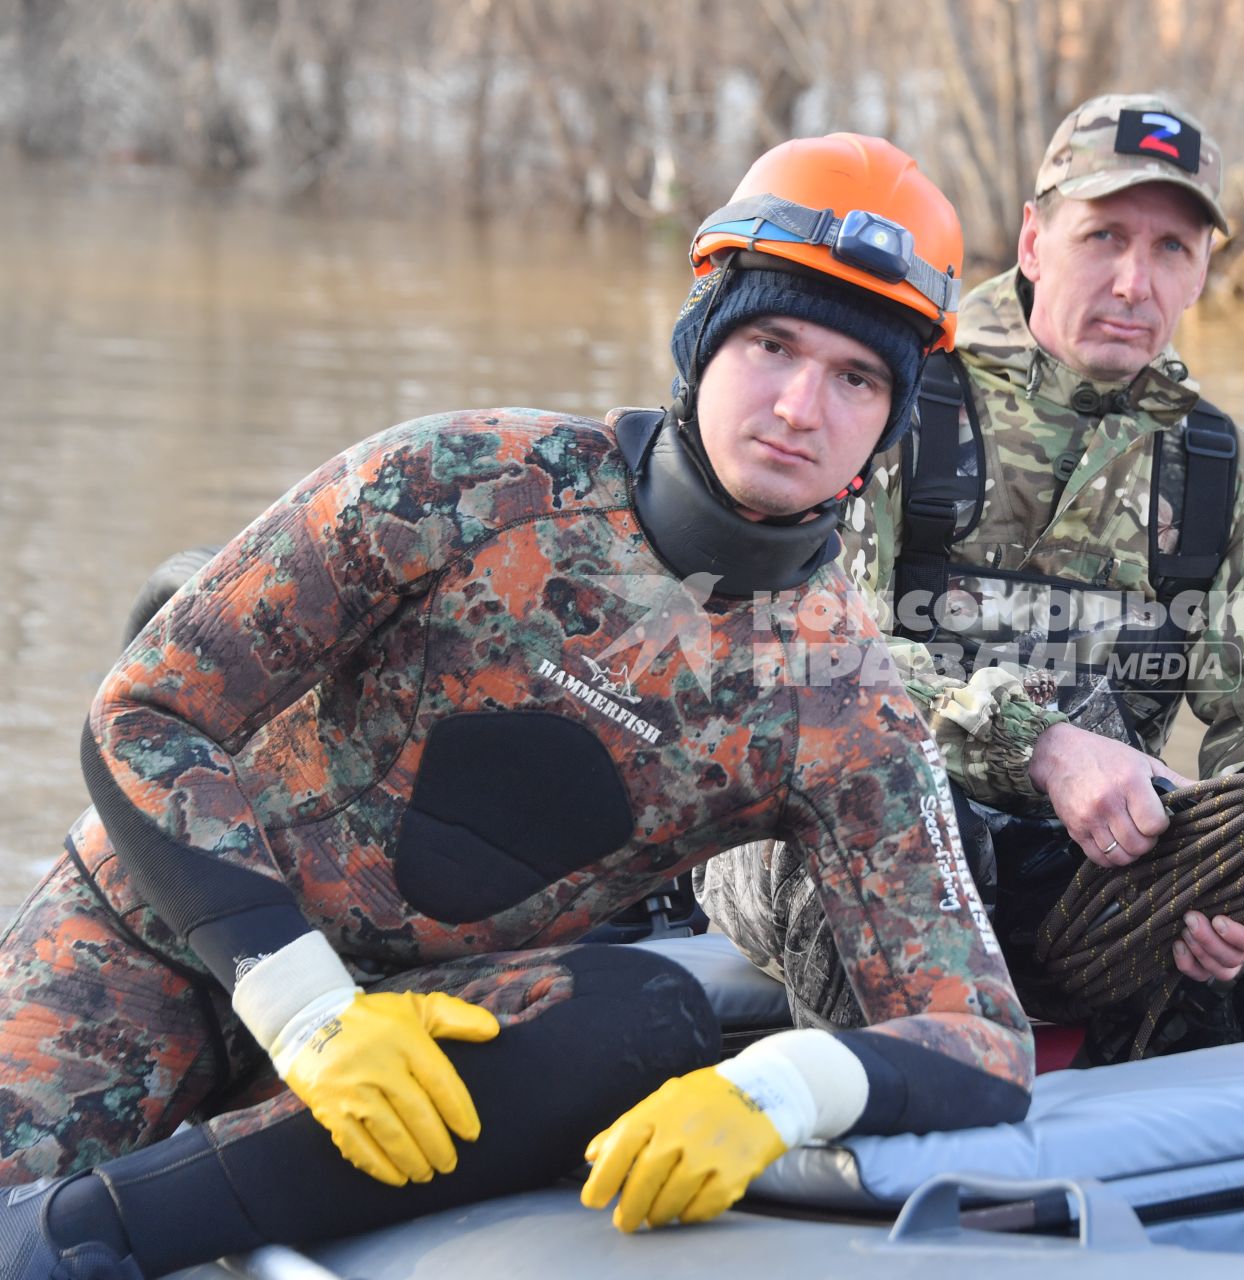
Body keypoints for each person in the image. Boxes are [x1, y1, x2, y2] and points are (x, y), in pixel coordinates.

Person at [0, 134, 1029, 1278]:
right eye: (772, 343)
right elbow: (146, 707)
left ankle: (82, 1238)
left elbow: (981, 1035)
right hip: (163, 937)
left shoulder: (840, 694)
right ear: (702, 337)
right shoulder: (463, 480)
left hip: (424, 1027)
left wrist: (779, 1090)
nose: (800, 405)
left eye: (857, 377)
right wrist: (306, 1011)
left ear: (891, 424)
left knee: (648, 1016)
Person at [699, 95, 1244, 1063]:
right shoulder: (893, 390)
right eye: (1102, 235)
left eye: (1171, 251)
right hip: (840, 821)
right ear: (1033, 238)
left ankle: (1173, 1142)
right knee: (911, 867)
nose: (1132, 281)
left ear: (1202, 274)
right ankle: (882, 1135)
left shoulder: (1227, 471)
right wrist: (1038, 744)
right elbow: (813, 652)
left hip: (1079, 868)